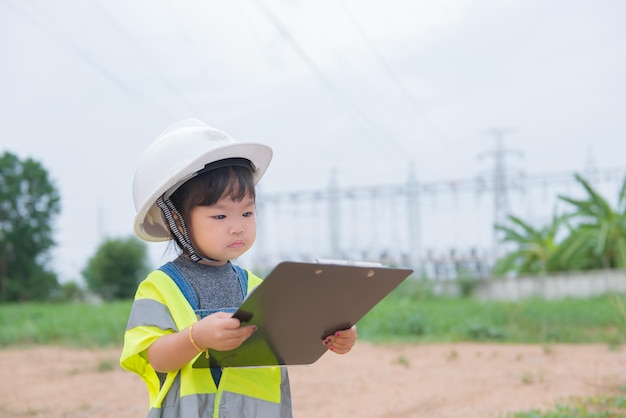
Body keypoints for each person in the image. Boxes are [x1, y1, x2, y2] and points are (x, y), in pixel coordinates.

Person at [120, 119, 358, 418]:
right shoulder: (159, 287)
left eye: (246, 212)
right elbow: (155, 357)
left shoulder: (260, 288)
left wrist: (335, 335)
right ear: (177, 221)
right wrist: (196, 338)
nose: (237, 227)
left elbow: (296, 335)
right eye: (220, 216)